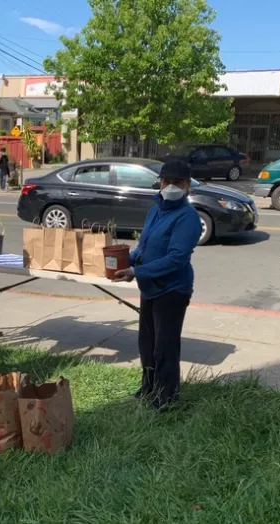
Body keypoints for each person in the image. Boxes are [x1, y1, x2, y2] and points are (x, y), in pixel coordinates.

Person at [114, 160, 202, 412]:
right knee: (147, 343)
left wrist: (135, 271)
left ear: (187, 186)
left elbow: (176, 259)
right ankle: (149, 388)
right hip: (150, 287)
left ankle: (167, 398)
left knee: (166, 345)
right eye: (167, 181)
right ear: (160, 182)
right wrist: (124, 261)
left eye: (178, 182)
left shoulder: (188, 217)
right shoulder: (156, 210)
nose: (171, 186)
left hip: (172, 290)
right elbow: (143, 247)